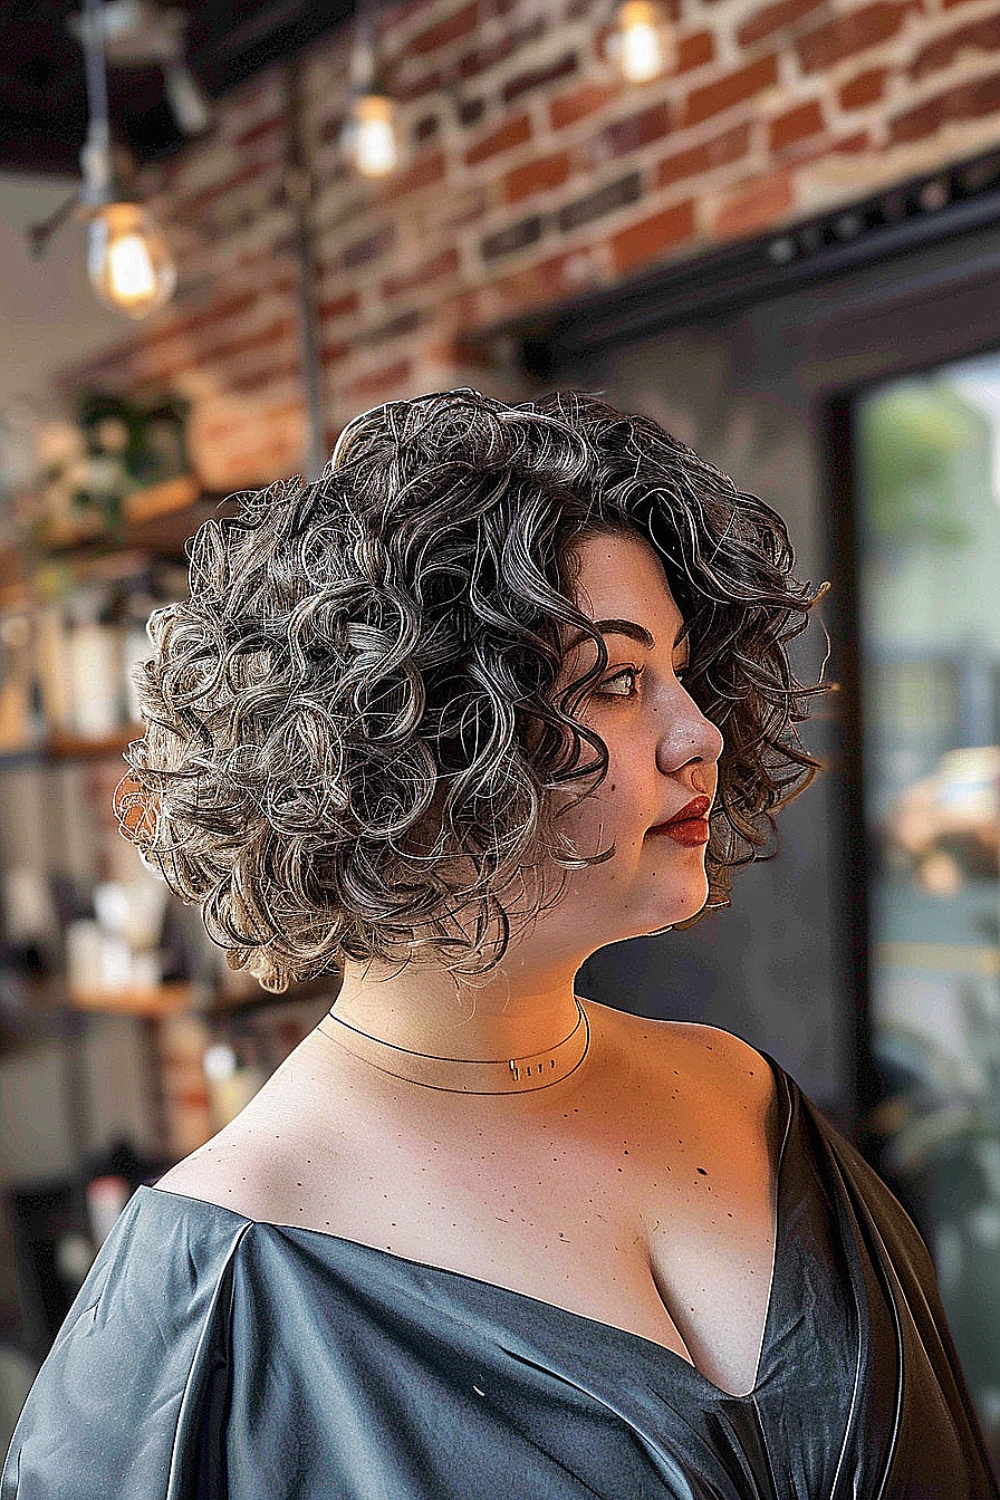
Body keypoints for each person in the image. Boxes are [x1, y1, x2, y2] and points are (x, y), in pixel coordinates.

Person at [2, 388, 997, 1499]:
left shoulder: (752, 1102)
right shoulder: (211, 1293)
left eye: (680, 669)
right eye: (618, 681)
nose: (699, 732)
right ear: (411, 746)